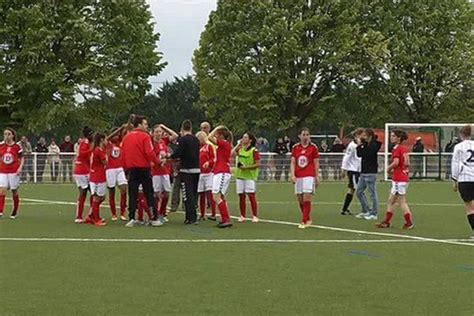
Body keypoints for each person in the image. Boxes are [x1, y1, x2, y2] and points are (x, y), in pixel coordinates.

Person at [122, 115, 161, 227]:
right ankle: (154, 218)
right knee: (149, 193)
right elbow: (149, 152)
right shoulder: (145, 136)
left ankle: (131, 218)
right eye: (145, 124)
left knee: (133, 194)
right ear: (139, 124)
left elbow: (123, 154)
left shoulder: (126, 137)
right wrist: (157, 161)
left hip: (131, 169)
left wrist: (125, 169)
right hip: (143, 168)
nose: (146, 126)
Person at [376, 130, 414, 229]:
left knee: (401, 201)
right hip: (402, 177)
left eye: (393, 136)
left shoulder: (397, 148)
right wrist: (401, 170)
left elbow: (396, 162)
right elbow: (407, 163)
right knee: (391, 201)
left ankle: (409, 222)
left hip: (399, 179)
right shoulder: (404, 148)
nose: (391, 137)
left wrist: (388, 168)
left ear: (398, 138)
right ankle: (387, 221)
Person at [170, 120, 201, 224]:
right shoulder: (196, 140)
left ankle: (191, 217)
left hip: (186, 170)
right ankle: (192, 216)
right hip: (196, 169)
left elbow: (178, 153)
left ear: (183, 129)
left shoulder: (183, 140)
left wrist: (170, 156)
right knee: (193, 192)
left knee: (187, 195)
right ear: (191, 128)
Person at [290, 128, 320, 229]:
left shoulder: (313, 147)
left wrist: (317, 176)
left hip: (309, 175)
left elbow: (316, 163)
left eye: (307, 134)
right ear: (300, 136)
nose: (306, 136)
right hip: (299, 175)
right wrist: (292, 175)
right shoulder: (295, 147)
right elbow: (293, 162)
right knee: (300, 199)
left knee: (307, 197)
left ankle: (304, 221)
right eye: (304, 134)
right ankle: (307, 218)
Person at [208, 125, 233, 228]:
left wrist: (217, 128)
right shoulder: (225, 145)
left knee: (216, 196)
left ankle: (226, 219)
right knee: (220, 196)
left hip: (222, 172)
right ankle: (225, 218)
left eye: (218, 135)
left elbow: (209, 137)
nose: (216, 136)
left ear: (221, 136)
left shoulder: (224, 143)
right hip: (220, 171)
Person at [152, 124, 178, 221]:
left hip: (165, 171)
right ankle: (155, 213)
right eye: (157, 131)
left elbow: (175, 135)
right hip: (156, 172)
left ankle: (162, 213)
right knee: (156, 193)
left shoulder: (164, 141)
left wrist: (164, 127)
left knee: (167, 192)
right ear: (153, 133)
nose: (159, 133)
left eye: (160, 131)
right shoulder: (151, 143)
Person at [451, 125, 474, 239]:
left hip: (465, 179)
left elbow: (455, 164)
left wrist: (454, 179)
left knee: (469, 207)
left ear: (461, 134)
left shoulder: (459, 147)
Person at [233, 132, 261, 223]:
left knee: (251, 195)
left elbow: (257, 164)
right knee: (241, 196)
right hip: (240, 176)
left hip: (249, 176)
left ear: (250, 140)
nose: (243, 139)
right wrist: (238, 145)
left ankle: (255, 215)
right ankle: (242, 215)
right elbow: (233, 153)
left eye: (245, 137)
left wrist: (246, 167)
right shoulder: (240, 149)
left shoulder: (254, 150)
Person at [355, 128, 382, 220]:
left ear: (370, 136)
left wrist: (362, 146)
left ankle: (374, 213)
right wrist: (359, 145)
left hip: (371, 172)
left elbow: (367, 154)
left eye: (365, 135)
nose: (363, 137)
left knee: (372, 194)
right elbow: (359, 154)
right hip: (363, 172)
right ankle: (366, 210)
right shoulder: (365, 144)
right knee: (359, 192)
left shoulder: (374, 145)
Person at [0, 128, 24, 219]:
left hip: (13, 171)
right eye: (5, 134)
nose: (6, 136)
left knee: (14, 190)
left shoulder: (17, 147)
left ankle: (15, 210)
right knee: (2, 189)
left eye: (8, 134)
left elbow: (22, 158)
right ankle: (0, 211)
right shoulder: (1, 145)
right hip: (2, 170)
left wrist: (20, 168)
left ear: (13, 135)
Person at [85, 133, 108, 226]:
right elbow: (105, 162)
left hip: (94, 175)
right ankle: (96, 219)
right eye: (105, 139)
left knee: (101, 197)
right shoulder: (99, 151)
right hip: (98, 176)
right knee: (97, 198)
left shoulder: (96, 150)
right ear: (102, 140)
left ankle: (91, 215)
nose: (107, 141)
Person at [73, 127, 94, 223]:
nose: (93, 136)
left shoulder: (89, 143)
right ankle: (79, 216)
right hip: (81, 171)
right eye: (91, 134)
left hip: (86, 170)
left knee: (94, 193)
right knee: (84, 193)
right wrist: (91, 150)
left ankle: (91, 214)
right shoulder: (85, 142)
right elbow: (82, 154)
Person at [105, 130, 128, 221]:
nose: (117, 136)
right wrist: (119, 129)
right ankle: (114, 213)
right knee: (112, 191)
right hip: (110, 169)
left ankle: (122, 212)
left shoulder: (121, 144)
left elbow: (125, 134)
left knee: (123, 188)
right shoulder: (108, 144)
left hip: (119, 168)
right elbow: (108, 138)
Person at [340, 128, 363, 215]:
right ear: (357, 136)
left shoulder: (361, 144)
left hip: (359, 170)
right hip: (353, 171)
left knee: (354, 189)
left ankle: (345, 209)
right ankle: (364, 209)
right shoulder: (352, 145)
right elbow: (347, 157)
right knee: (356, 189)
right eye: (362, 135)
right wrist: (343, 169)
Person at [196, 131, 216, 220]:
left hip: (209, 173)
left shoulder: (209, 146)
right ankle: (202, 214)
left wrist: (209, 162)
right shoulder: (196, 148)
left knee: (210, 193)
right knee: (201, 194)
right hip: (200, 173)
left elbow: (214, 158)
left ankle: (213, 213)